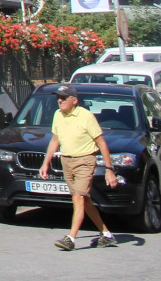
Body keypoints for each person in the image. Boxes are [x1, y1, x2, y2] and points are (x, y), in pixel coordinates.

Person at [38, 85, 120, 250]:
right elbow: (55, 140)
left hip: (85, 161)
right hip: (66, 161)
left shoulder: (86, 116)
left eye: (64, 97)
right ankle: (106, 234)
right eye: (58, 98)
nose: (59, 100)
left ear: (74, 100)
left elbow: (101, 143)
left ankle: (71, 238)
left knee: (78, 198)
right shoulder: (58, 115)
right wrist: (45, 163)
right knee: (85, 200)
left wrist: (109, 170)